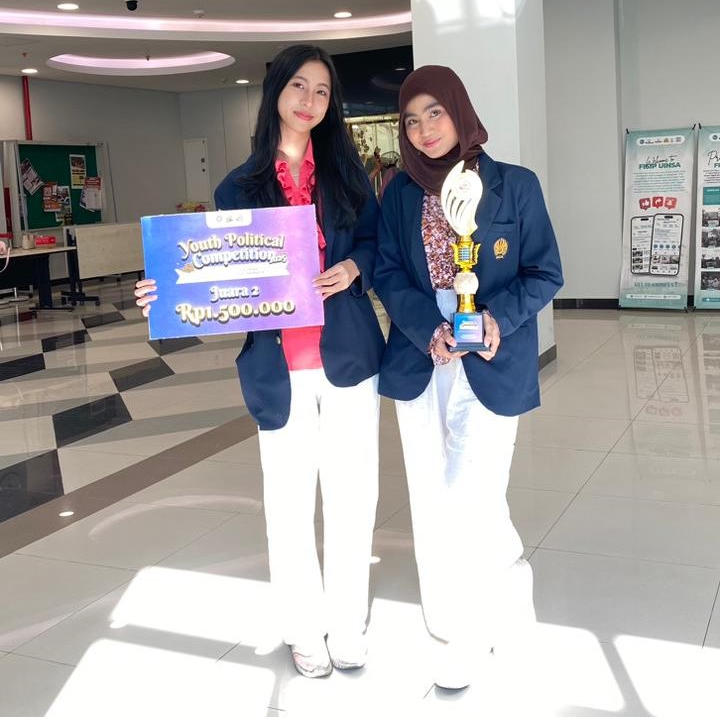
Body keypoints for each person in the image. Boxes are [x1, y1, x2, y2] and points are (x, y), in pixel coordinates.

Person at [135, 45, 385, 678]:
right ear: (276, 91)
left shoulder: (348, 176)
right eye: (298, 85)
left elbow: (378, 245)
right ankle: (304, 629)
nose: (309, 100)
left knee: (354, 499)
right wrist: (166, 288)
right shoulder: (237, 187)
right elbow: (218, 272)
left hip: (349, 358)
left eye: (322, 91)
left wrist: (353, 266)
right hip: (278, 368)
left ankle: (348, 625)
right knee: (289, 506)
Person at [373, 65, 563, 690]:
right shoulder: (400, 194)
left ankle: (471, 636)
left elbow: (545, 272)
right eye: (411, 120)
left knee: (467, 495)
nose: (425, 129)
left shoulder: (515, 185)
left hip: (490, 358)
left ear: (460, 111)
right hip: (421, 357)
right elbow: (387, 272)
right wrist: (427, 326)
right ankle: (459, 612)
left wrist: (496, 319)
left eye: (436, 112)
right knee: (432, 495)